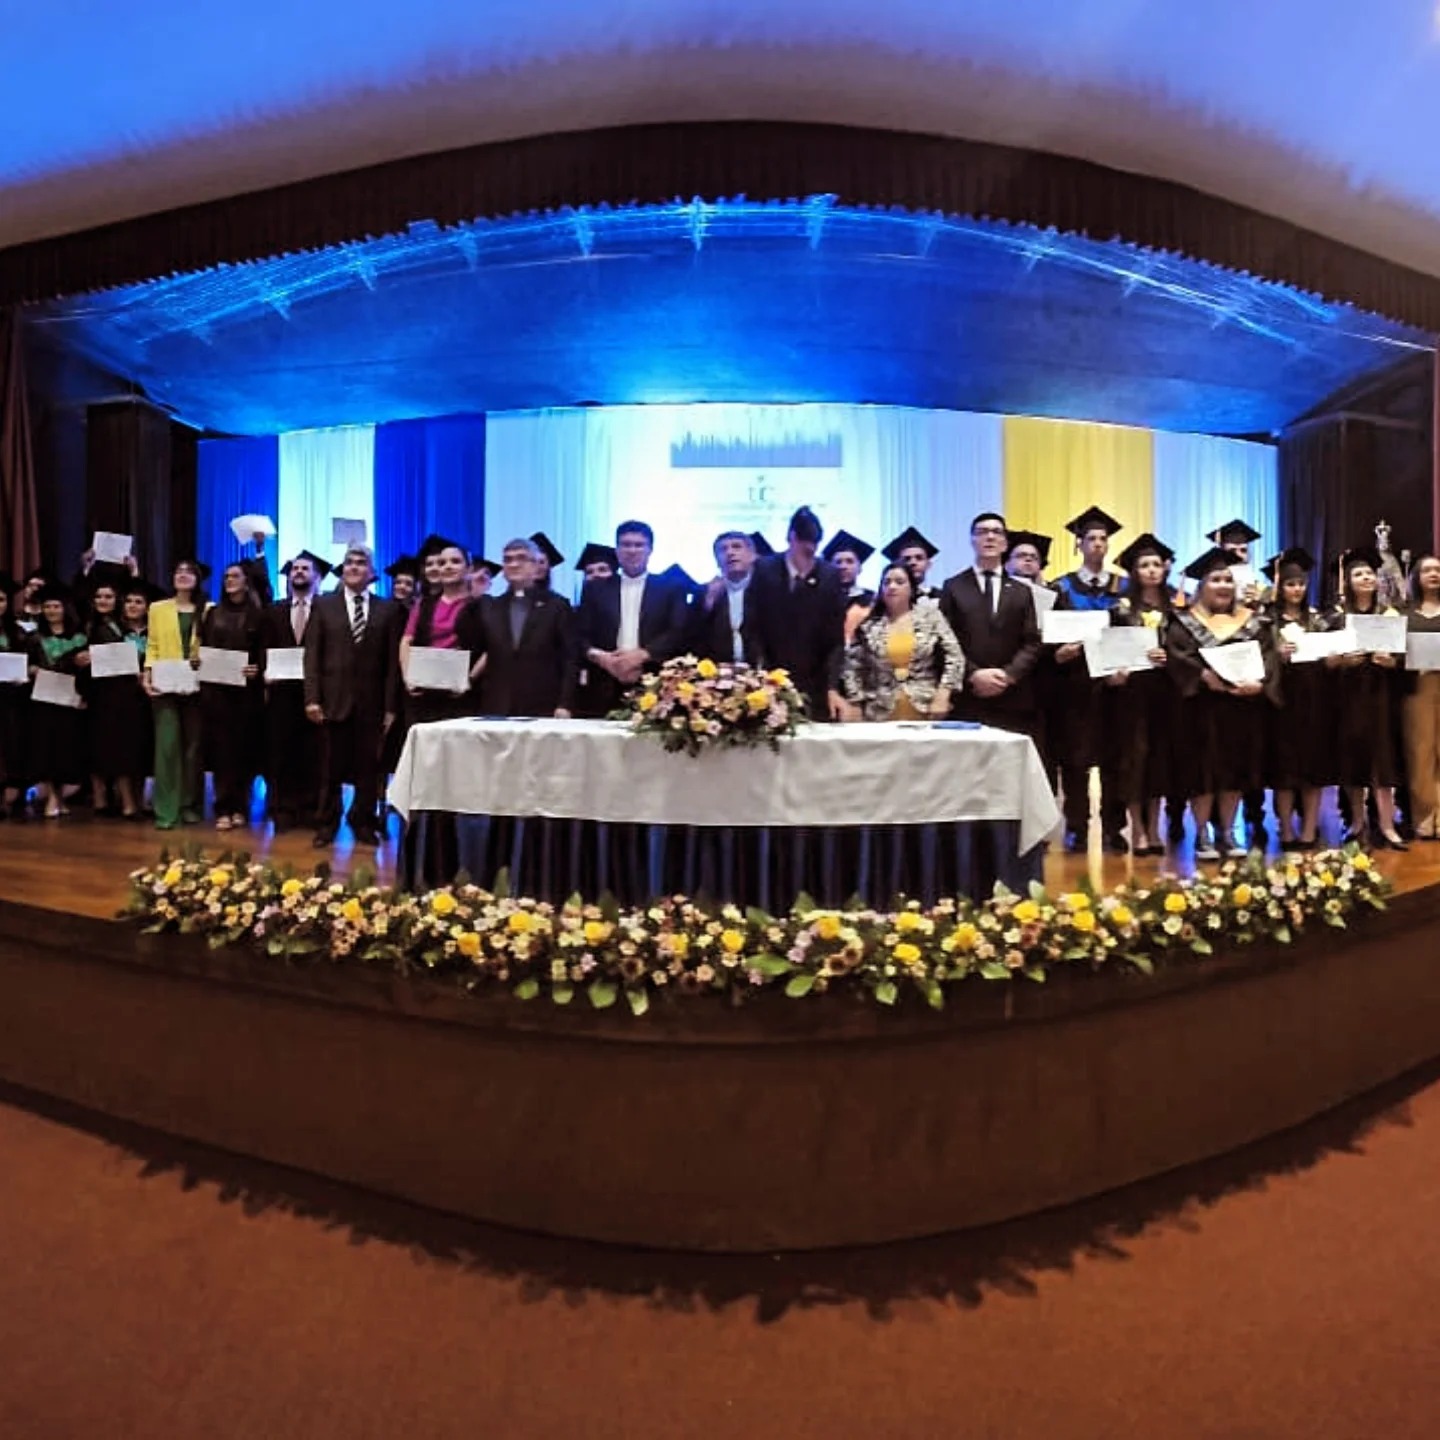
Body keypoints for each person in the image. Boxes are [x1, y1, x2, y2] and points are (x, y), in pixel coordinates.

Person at [1164, 547, 1281, 862]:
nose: (1224, 585)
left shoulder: (1253, 621)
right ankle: (1202, 833)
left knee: (1235, 771)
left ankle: (1228, 832)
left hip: (1240, 708)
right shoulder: (1184, 621)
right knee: (1201, 773)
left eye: (1228, 580)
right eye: (1216, 580)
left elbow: (1269, 657)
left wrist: (1261, 684)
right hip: (1200, 709)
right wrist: (1202, 675)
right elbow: (1177, 656)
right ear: (1202, 586)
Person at [303, 545, 402, 848]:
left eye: (361, 563)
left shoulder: (388, 610)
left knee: (367, 769)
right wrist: (311, 698)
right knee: (329, 768)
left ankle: (363, 821)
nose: (354, 567)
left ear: (371, 573)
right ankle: (327, 823)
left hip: (371, 704)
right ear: (342, 570)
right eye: (349, 563)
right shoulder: (323, 605)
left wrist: (390, 707)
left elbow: (392, 664)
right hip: (332, 701)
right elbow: (312, 655)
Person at [1050, 506, 1126, 853]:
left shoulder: (1123, 587)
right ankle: (1077, 827)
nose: (1097, 543)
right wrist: (1058, 654)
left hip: (1114, 687)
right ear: (1078, 544)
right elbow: (1049, 636)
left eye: (1102, 538)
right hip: (1075, 686)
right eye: (1091, 538)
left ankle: (1114, 828)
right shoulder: (1060, 587)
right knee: (1075, 761)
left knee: (1114, 760)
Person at [1326, 546, 1406, 849]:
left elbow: (1403, 657)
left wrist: (1392, 662)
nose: (1366, 578)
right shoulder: (1337, 618)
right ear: (1348, 581)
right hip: (1349, 698)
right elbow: (1326, 662)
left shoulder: (1389, 615)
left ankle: (1387, 825)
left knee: (1383, 762)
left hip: (1381, 696)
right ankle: (1357, 822)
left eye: (1370, 573)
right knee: (1353, 760)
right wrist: (1340, 661)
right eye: (1358, 574)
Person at [937, 512, 1042, 734]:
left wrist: (1008, 675)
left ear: (1005, 543)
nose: (990, 537)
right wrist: (973, 674)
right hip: (968, 695)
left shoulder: (1022, 591)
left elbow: (1032, 641)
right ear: (972, 540)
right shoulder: (953, 587)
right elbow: (944, 640)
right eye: (982, 532)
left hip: (1012, 696)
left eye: (996, 532)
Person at [576, 520, 689, 717]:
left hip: (654, 682)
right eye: (626, 545)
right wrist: (602, 658)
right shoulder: (595, 589)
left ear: (650, 550)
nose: (632, 551)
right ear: (617, 551)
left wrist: (642, 655)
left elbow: (678, 631)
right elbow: (580, 634)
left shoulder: (671, 588)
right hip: (604, 681)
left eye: (639, 545)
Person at [1107, 534, 1176, 857]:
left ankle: (1154, 826)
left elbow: (1188, 649)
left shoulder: (1178, 608)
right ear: (1134, 571)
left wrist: (1170, 656)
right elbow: (1108, 651)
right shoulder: (1120, 609)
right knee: (1135, 759)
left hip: (1166, 693)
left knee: (1160, 759)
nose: (1151, 570)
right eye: (1144, 565)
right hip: (1131, 694)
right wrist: (1115, 673)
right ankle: (1137, 827)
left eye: (1156, 564)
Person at [747, 506, 849, 720]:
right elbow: (752, 626)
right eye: (804, 550)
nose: (808, 557)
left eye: (813, 549)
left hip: (815, 680)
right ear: (791, 538)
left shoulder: (829, 575)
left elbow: (835, 640)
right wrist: (761, 672)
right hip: (771, 677)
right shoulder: (765, 570)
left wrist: (832, 686)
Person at [1263, 548, 1331, 850]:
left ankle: (1309, 829)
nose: (1297, 589)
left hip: (1314, 701)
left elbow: (1329, 655)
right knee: (1284, 770)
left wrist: (1333, 657)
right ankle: (1287, 829)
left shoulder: (1316, 619)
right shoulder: (1268, 621)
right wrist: (1277, 655)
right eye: (1290, 584)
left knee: (1313, 768)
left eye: (1301, 584)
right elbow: (1259, 655)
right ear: (1280, 587)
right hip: (1281, 702)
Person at [259, 550, 330, 832]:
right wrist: (264, 672)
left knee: (314, 752)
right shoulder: (273, 610)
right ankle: (283, 809)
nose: (298, 572)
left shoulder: (327, 609)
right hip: (281, 692)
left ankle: (311, 808)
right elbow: (262, 647)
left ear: (317, 576)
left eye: (305, 568)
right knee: (281, 751)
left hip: (316, 693)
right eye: (294, 569)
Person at [840, 563, 964, 721]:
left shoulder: (930, 617)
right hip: (879, 710)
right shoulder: (869, 624)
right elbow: (852, 666)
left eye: (899, 582)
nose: (892, 587)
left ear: (911, 588)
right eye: (887, 582)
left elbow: (954, 655)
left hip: (927, 706)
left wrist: (944, 693)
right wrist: (855, 702)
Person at [473, 538, 576, 718]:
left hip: (543, 704)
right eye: (508, 559)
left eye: (521, 558)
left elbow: (570, 659)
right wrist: (473, 595)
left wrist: (565, 703)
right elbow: (473, 646)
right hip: (497, 705)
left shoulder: (557, 605)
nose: (514, 564)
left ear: (536, 566)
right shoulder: (491, 607)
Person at [143, 559, 209, 830]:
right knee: (167, 747)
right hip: (165, 683)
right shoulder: (157, 608)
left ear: (197, 579)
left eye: (188, 572)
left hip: (197, 684)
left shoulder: (208, 609)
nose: (182, 575)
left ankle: (190, 805)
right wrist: (147, 673)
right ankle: (166, 809)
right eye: (178, 571)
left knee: (194, 748)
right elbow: (153, 645)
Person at [200, 562, 263, 831]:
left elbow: (263, 651)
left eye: (235, 576)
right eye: (226, 576)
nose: (229, 580)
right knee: (221, 752)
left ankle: (241, 806)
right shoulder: (212, 613)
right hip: (217, 691)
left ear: (247, 581)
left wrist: (258, 668)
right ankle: (223, 807)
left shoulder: (258, 614)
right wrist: (198, 661)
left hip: (247, 692)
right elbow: (203, 645)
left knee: (244, 751)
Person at [84, 577, 152, 820]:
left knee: (142, 749)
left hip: (146, 697)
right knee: (121, 749)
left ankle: (139, 800)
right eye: (129, 601)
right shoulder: (113, 629)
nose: (132, 605)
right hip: (114, 696)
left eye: (138, 602)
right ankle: (126, 803)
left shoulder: (154, 632)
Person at [399, 539, 487, 725]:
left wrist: (469, 679)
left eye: (455, 561)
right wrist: (408, 677)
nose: (447, 566)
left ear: (469, 569)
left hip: (465, 695)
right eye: (442, 563)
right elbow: (406, 641)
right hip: (423, 693)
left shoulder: (483, 607)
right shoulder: (423, 605)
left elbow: (491, 649)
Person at [26, 584, 89, 819]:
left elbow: (88, 674)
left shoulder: (80, 638)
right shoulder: (34, 639)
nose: (51, 610)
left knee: (66, 750)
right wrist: (31, 669)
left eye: (56, 606)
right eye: (47, 607)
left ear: (65, 609)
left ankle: (60, 797)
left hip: (71, 701)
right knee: (47, 750)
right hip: (43, 701)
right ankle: (53, 797)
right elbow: (25, 664)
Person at [1404, 553, 1440, 840]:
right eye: (1427, 570)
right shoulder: (1405, 614)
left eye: (1438, 570)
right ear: (1416, 577)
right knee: (1420, 752)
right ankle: (1425, 817)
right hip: (1417, 687)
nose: (1434, 574)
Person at [690, 531, 760, 666]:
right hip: (719, 670)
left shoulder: (767, 589)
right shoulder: (703, 592)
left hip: (761, 670)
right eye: (723, 549)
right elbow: (690, 638)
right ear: (717, 560)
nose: (730, 553)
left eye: (737, 547)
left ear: (752, 555)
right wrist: (708, 605)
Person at [0, 576, 29, 818]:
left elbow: (27, 661)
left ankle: (12, 797)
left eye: (0, 600)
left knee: (11, 746)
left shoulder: (17, 631)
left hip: (12, 699)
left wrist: (26, 672)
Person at [882, 526, 942, 603]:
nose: (913, 562)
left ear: (928, 564)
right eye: (906, 559)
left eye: (919, 558)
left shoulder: (941, 597)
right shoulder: (885, 599)